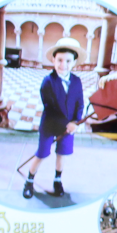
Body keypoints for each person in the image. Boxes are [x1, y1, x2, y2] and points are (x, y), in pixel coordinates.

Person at [24, 37, 89, 199]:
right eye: (59, 60)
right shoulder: (48, 82)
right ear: (53, 60)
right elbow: (50, 108)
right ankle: (29, 181)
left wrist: (75, 121)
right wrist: (68, 124)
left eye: (68, 61)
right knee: (42, 153)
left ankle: (57, 180)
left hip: (69, 126)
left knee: (62, 153)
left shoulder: (76, 81)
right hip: (50, 125)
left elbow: (80, 103)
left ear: (74, 62)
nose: (63, 65)